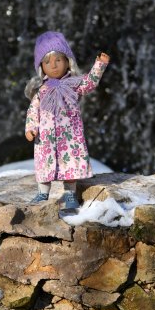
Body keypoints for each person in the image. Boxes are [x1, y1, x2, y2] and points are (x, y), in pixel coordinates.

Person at [24, 31, 109, 210]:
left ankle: (70, 193)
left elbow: (90, 82)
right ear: (41, 67)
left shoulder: (74, 84)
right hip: (46, 138)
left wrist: (99, 65)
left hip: (69, 137)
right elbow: (33, 111)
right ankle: (42, 192)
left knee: (70, 163)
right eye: (47, 62)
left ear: (67, 61)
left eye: (58, 60)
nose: (53, 66)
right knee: (44, 166)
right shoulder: (41, 91)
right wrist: (31, 128)